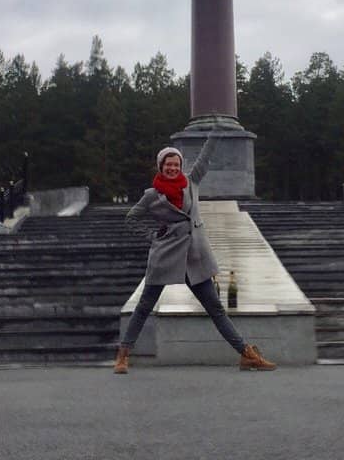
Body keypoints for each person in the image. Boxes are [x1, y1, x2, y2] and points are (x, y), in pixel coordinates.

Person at [114, 135, 276, 374]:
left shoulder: (191, 182)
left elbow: (203, 159)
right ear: (161, 166)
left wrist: (215, 133)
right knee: (144, 307)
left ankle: (247, 355)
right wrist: (154, 235)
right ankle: (123, 356)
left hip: (193, 257)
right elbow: (131, 218)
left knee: (215, 309)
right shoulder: (152, 195)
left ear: (181, 166)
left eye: (176, 164)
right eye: (168, 164)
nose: (172, 168)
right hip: (165, 256)